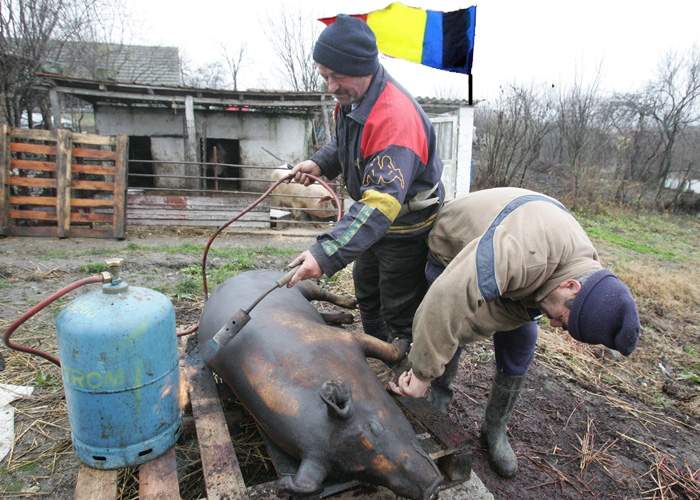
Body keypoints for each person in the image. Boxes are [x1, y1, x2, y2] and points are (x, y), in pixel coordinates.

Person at [389, 187, 640, 479]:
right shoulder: (525, 252)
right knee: (451, 323)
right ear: (571, 287)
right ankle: (435, 402)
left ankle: (494, 428)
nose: (556, 326)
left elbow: (524, 305)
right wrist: (422, 372)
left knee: (522, 339)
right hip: (453, 246)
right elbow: (448, 299)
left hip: (521, 278)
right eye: (562, 319)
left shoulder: (584, 265)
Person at [287, 14, 445, 342]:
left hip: (403, 227)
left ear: (363, 68)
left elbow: (381, 203)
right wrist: (319, 163)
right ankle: (377, 354)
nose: (330, 87)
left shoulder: (394, 119)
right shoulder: (352, 98)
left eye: (336, 76)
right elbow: (349, 143)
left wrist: (325, 254)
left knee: (398, 305)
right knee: (368, 293)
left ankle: (405, 372)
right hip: (374, 224)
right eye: (324, 76)